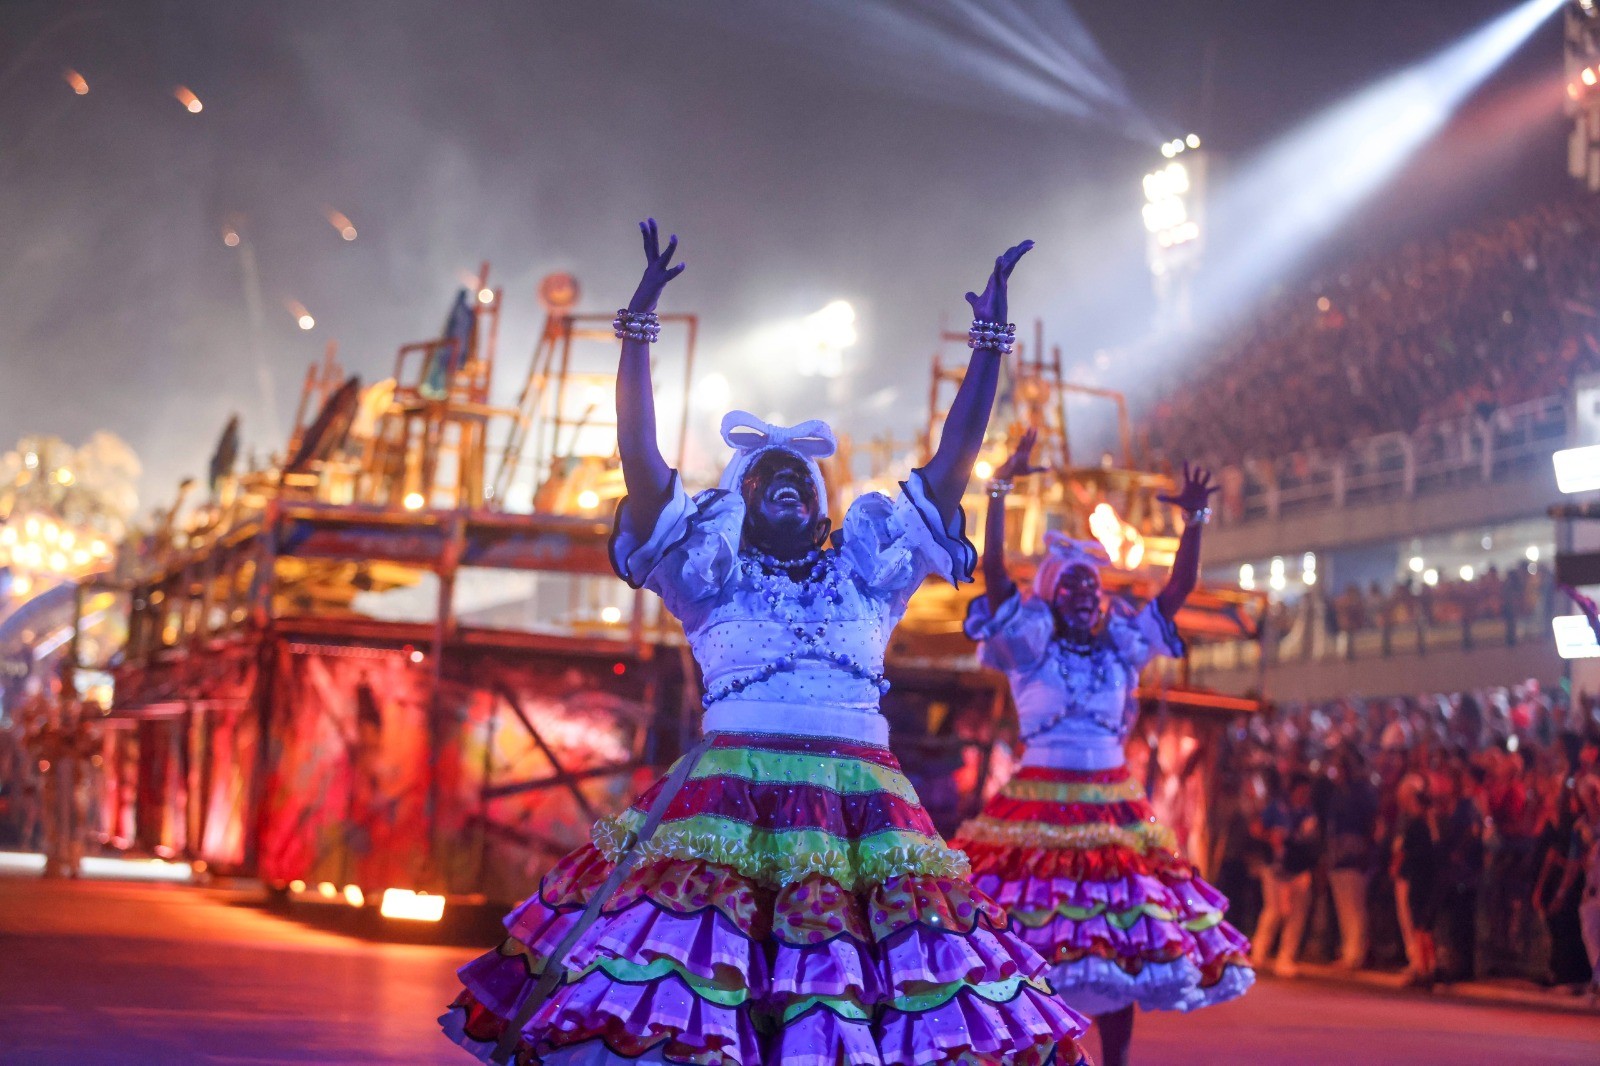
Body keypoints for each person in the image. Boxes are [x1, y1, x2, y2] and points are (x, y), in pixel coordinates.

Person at [441, 222, 1088, 1065]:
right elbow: (643, 466)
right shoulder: (707, 577)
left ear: (824, 511)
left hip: (865, 820)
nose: (781, 478)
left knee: (845, 1008)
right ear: (737, 507)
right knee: (712, 1007)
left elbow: (951, 463)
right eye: (760, 478)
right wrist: (636, 336)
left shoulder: (871, 573)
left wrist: (988, 346)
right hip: (727, 809)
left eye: (797, 477)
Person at [949, 432, 1253, 1066]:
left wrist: (1194, 521)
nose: (1086, 595)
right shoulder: (1029, 645)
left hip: (1114, 815)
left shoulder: (1123, 645)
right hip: (1035, 812)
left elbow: (1178, 589)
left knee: (1118, 949)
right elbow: (997, 572)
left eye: (1093, 586)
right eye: (1073, 588)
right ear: (1052, 597)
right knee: (1028, 946)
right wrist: (998, 491)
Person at [1252, 773, 1319, 977]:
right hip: (1275, 868)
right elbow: (1256, 828)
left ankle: (1286, 957)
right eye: (1301, 791)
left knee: (1296, 915)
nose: (1303, 795)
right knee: (1274, 911)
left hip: (1299, 869)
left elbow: (1311, 842)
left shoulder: (1309, 814)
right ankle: (1258, 954)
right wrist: (1270, 836)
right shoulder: (1278, 808)